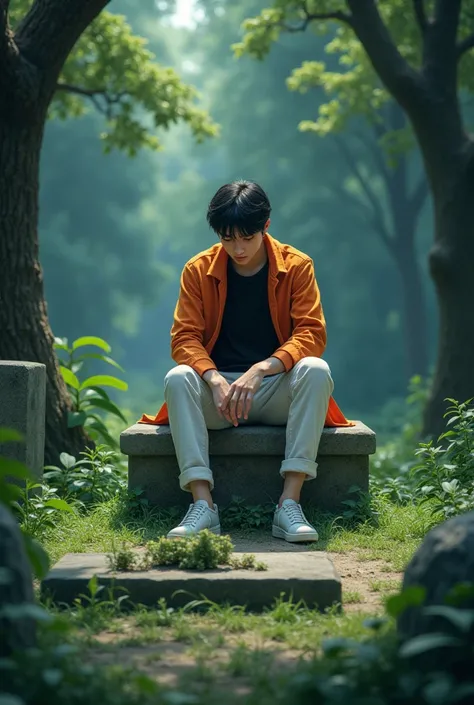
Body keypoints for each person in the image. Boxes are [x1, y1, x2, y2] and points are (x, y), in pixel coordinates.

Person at [139, 180, 352, 542]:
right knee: (178, 377)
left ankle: (290, 503)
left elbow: (312, 334)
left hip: (274, 390)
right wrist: (213, 378)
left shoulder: (297, 266)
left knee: (316, 370)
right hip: (218, 397)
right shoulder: (197, 269)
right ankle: (202, 505)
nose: (237, 248)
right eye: (227, 238)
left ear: (266, 226)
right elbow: (184, 337)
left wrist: (262, 368)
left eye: (246, 238)